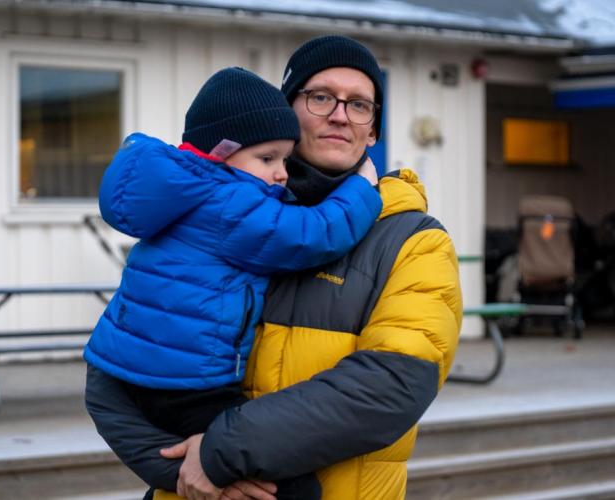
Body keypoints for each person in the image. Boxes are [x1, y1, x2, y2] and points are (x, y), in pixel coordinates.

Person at [85, 36, 462, 500]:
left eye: (361, 105)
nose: (341, 114)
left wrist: (219, 456)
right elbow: (114, 379)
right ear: (287, 111)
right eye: (321, 97)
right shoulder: (210, 215)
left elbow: (390, 387)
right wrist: (180, 472)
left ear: (373, 131)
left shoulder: (414, 242)